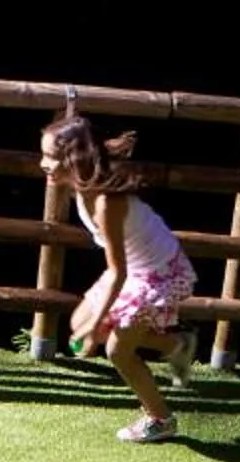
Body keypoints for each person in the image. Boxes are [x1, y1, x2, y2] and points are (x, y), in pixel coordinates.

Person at [43, 105, 199, 444]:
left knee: (116, 350)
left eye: (51, 158)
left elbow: (118, 272)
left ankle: (160, 419)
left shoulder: (106, 202)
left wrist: (95, 326)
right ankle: (175, 344)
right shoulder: (83, 189)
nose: (43, 164)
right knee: (81, 323)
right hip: (135, 268)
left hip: (160, 272)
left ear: (75, 159)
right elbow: (120, 269)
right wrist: (90, 325)